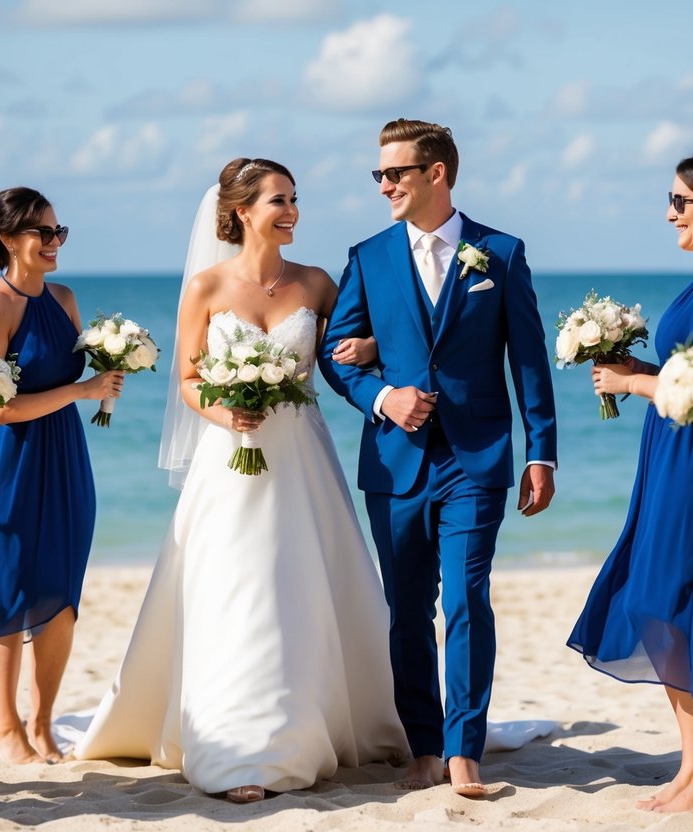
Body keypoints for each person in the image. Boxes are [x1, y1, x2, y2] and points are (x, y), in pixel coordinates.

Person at [74, 158, 409, 803]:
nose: (292, 212)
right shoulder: (206, 287)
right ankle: (239, 750)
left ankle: (318, 725)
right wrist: (225, 409)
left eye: (294, 200)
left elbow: (359, 350)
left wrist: (368, 353)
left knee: (303, 587)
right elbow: (190, 381)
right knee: (237, 593)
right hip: (230, 460)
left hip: (302, 460)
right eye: (278, 201)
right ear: (242, 211)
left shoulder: (316, 284)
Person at [318, 119, 558, 797]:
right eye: (379, 174)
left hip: (477, 457)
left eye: (395, 173)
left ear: (436, 174)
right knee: (406, 610)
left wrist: (542, 453)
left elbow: (530, 362)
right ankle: (422, 745)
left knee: (466, 599)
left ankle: (462, 751)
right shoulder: (367, 256)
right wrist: (381, 396)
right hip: (394, 461)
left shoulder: (500, 253)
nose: (384, 185)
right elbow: (336, 357)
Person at [567, 150, 693, 813]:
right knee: (660, 605)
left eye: (679, 202)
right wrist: (634, 362)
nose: (668, 213)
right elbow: (688, 371)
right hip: (673, 457)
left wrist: (631, 381)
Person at [0, 187, 123, 764]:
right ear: (9, 239)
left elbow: (79, 374)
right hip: (16, 459)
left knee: (61, 590)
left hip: (66, 454)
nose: (55, 243)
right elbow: (0, 408)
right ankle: (4, 727)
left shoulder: (64, 299)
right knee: (8, 585)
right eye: (43, 233)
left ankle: (43, 725)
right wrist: (83, 391)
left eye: (60, 232)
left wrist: (109, 375)